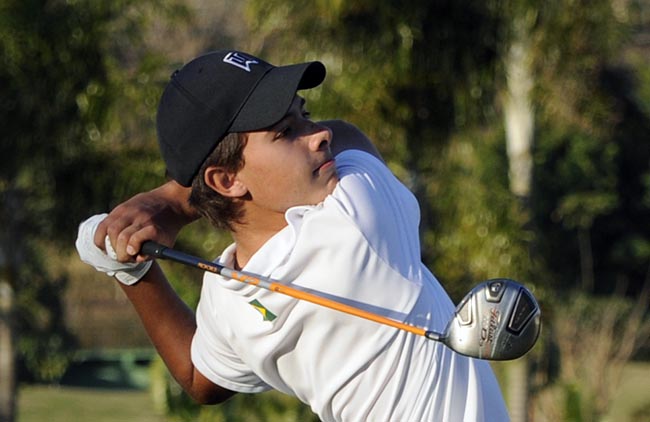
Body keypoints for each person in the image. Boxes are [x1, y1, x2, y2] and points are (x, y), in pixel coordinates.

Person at [75, 49, 509, 421]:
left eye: (304, 115)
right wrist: (169, 202)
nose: (319, 134)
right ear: (226, 181)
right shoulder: (357, 212)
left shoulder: (227, 300)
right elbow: (350, 135)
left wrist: (130, 272)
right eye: (285, 131)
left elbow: (198, 378)